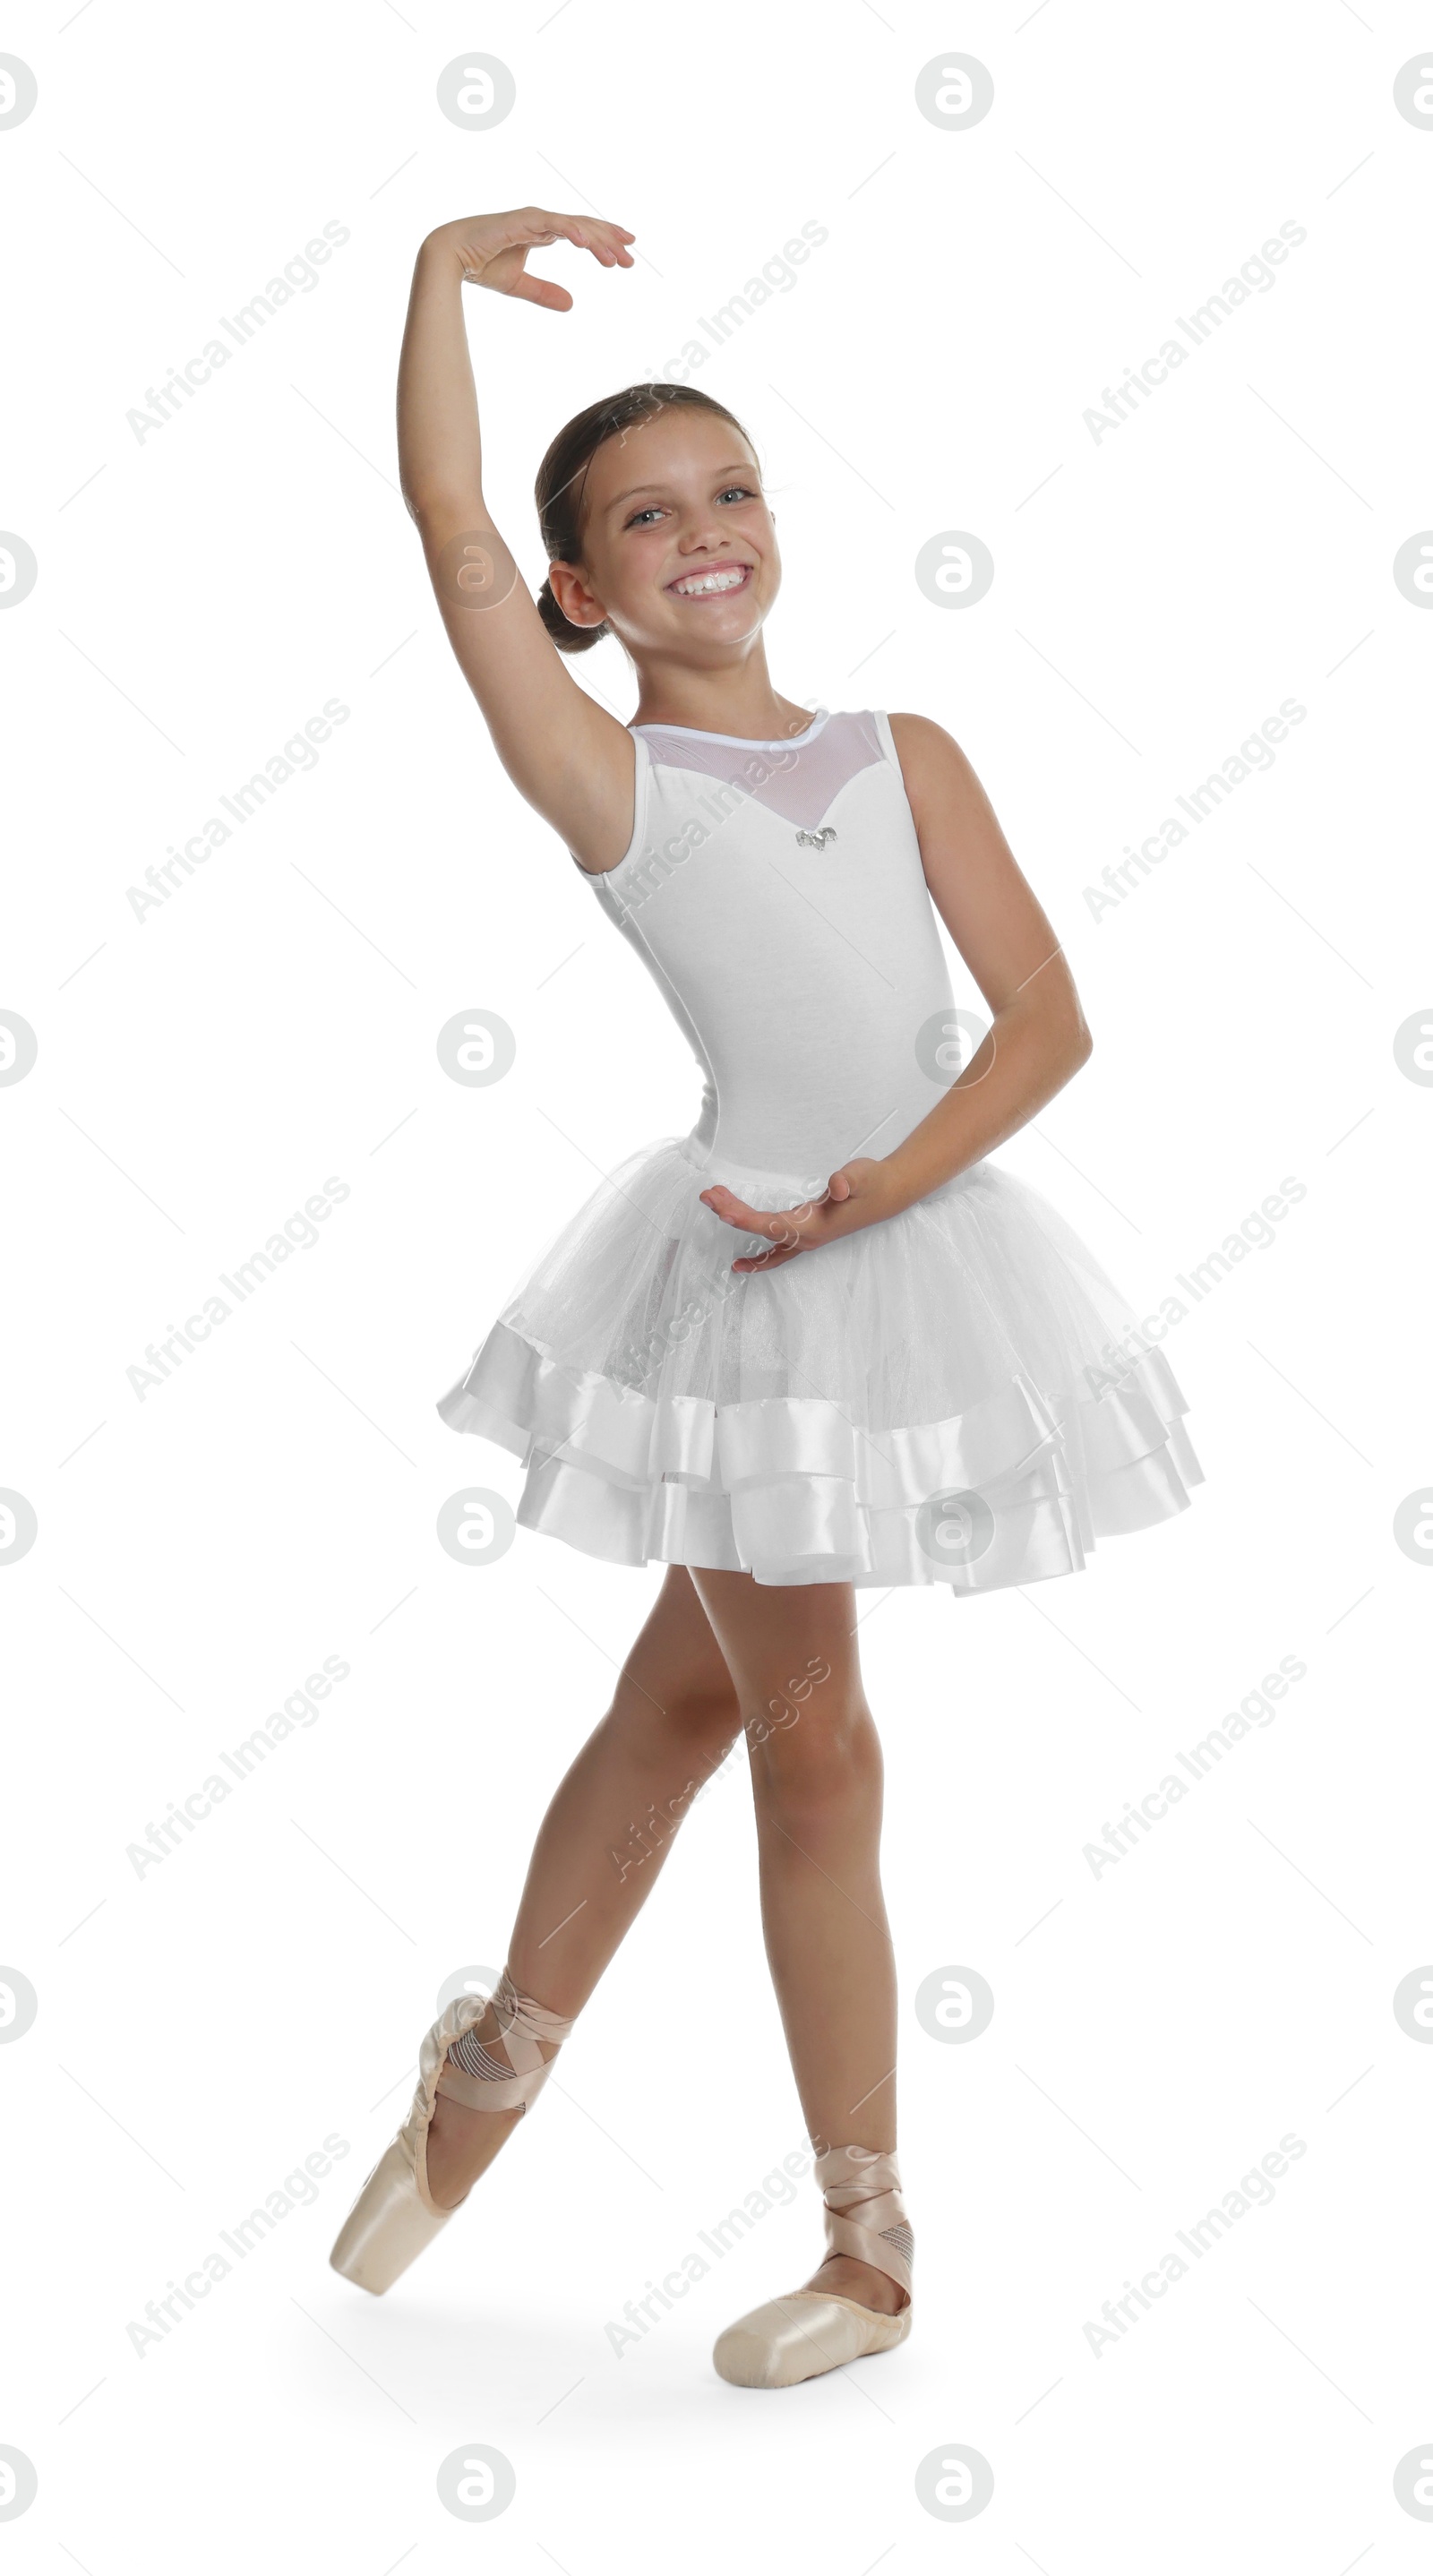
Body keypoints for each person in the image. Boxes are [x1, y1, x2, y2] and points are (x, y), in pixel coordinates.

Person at [328, 206, 1203, 2389]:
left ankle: (490, 2063)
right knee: (815, 1739)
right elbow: (442, 528)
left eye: (730, 490)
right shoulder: (612, 777)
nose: (702, 533)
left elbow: (1041, 1022)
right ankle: (871, 2243)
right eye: (643, 514)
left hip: (893, 1252)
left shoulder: (899, 750)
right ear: (581, 589)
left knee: (692, 1707)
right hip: (735, 1287)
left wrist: (883, 1188)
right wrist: (437, 273)